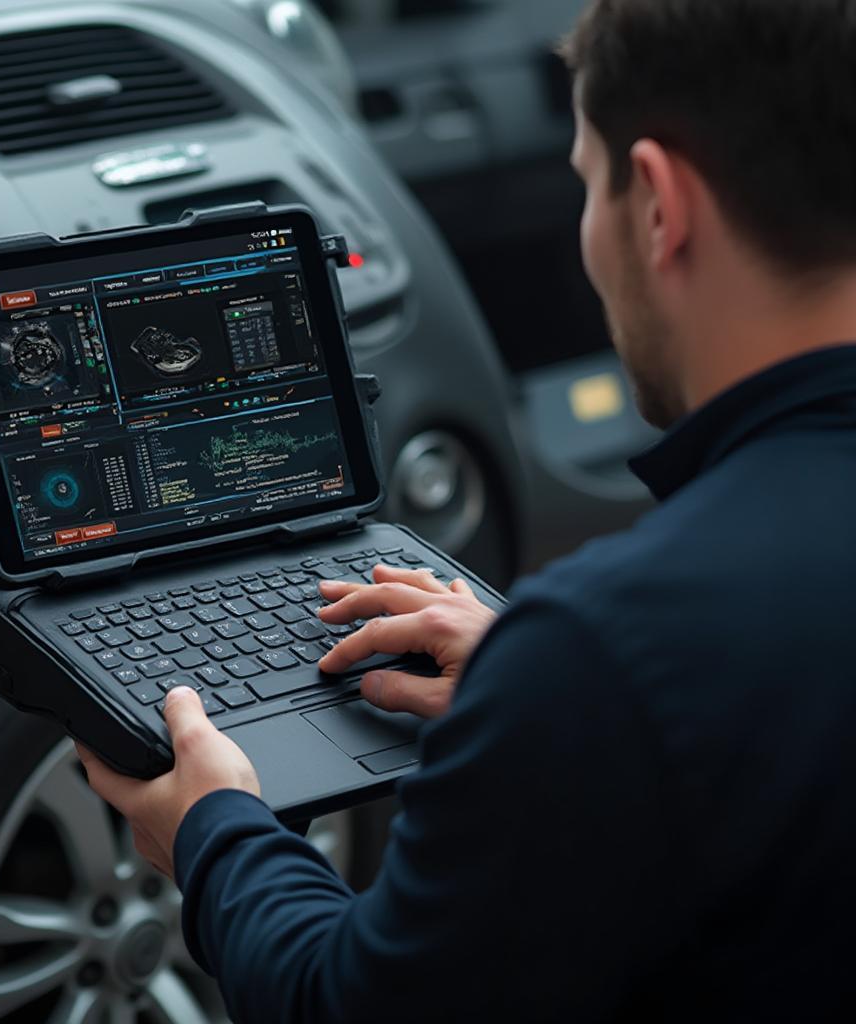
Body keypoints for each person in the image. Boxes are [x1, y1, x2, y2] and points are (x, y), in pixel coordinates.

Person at [77, 1, 856, 1019]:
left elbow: (352, 1004)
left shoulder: (609, 649)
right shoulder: (612, 666)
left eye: (586, 182)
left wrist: (216, 830)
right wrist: (535, 696)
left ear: (659, 205)